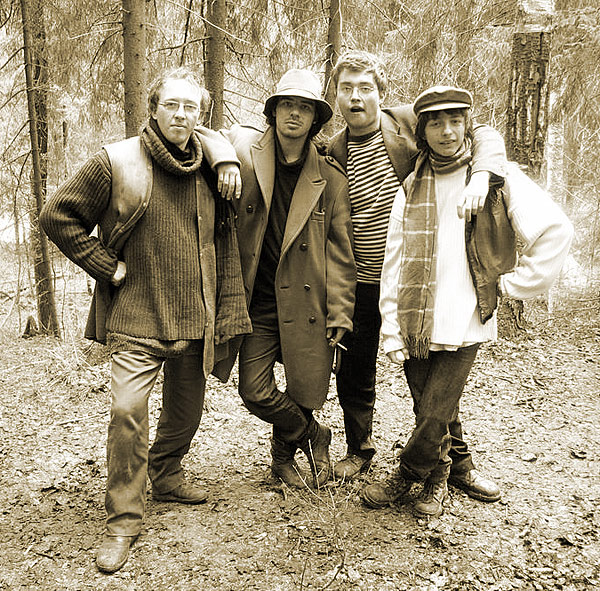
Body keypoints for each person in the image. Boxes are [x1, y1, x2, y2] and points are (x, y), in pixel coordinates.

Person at [40, 67, 251, 574]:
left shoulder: (211, 164)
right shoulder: (116, 161)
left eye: (191, 107)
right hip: (138, 314)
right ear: (153, 108)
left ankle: (167, 473)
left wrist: (223, 154)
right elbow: (57, 215)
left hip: (196, 314)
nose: (181, 115)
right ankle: (123, 521)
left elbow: (242, 145)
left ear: (201, 117)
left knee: (185, 413)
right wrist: (105, 265)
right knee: (127, 413)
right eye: (171, 104)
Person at [361, 85, 573, 517]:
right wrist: (391, 326)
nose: (446, 131)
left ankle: (410, 472)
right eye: (436, 123)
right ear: (422, 131)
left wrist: (514, 285)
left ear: (467, 125)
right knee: (433, 408)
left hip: (466, 318)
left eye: (455, 121)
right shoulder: (410, 187)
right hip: (416, 321)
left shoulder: (494, 179)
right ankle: (454, 469)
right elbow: (393, 262)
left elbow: (557, 230)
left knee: (434, 410)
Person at [327, 50, 508, 502]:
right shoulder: (331, 149)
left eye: (365, 87)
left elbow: (481, 132)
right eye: (346, 89)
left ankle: (455, 465)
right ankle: (359, 449)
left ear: (381, 93)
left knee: (434, 383)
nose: (355, 97)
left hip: (417, 280)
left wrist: (483, 175)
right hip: (357, 280)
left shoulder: (410, 122)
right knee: (355, 370)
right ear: (336, 96)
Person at [212, 69, 356, 489]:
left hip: (308, 301)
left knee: (304, 388)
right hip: (257, 301)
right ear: (273, 112)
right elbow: (204, 134)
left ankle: (282, 459)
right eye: (287, 105)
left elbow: (341, 254)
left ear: (315, 119)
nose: (294, 114)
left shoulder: (330, 177)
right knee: (254, 390)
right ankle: (314, 435)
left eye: (304, 108)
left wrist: (341, 313)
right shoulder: (244, 152)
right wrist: (223, 159)